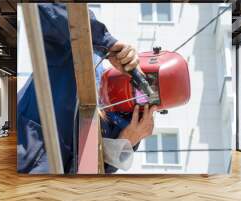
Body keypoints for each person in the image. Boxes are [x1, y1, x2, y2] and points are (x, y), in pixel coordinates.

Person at [17, 3, 156, 174]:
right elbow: (49, 8)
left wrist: (122, 143)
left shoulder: (119, 127)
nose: (139, 89)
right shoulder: (77, 56)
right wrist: (107, 43)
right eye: (144, 79)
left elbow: (80, 181)